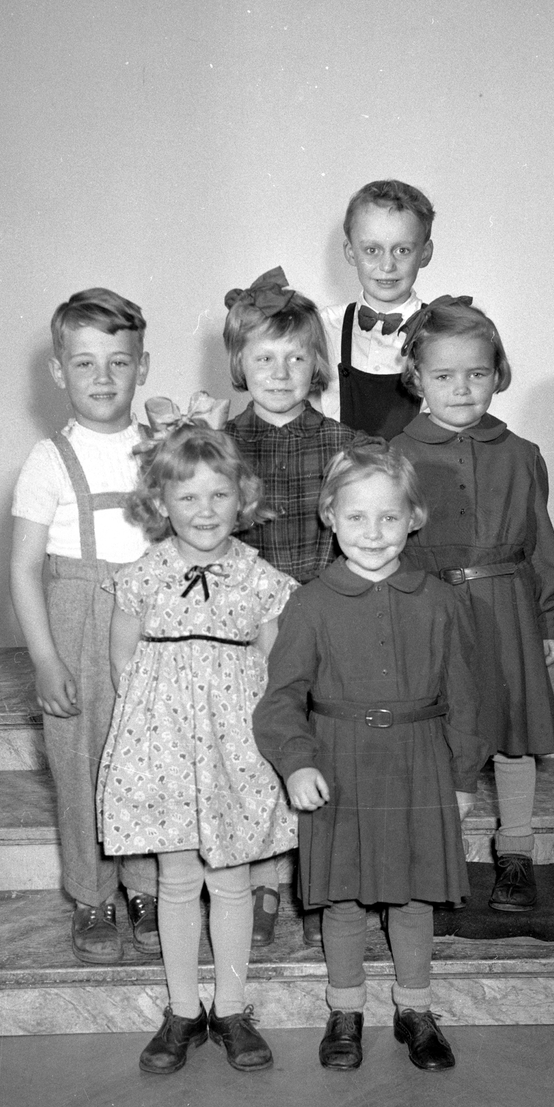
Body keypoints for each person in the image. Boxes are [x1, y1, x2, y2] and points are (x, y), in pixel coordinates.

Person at [253, 441, 488, 1071]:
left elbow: (467, 698)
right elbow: (280, 699)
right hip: (339, 764)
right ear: (330, 516)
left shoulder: (441, 601)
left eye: (389, 516)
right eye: (356, 516)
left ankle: (416, 1010)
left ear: (415, 518)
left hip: (420, 763)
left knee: (414, 897)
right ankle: (345, 1011)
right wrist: (297, 762)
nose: (373, 532)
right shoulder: (309, 603)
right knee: (344, 898)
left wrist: (463, 776)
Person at [98, 421, 298, 1074]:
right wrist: (151, 728)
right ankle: (183, 1010)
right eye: (187, 497)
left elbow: (274, 660)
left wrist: (247, 726)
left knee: (232, 879)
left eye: (219, 495)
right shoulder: (145, 574)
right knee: (178, 879)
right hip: (161, 745)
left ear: (242, 498)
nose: (205, 510)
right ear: (161, 503)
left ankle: (232, 1008)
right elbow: (123, 658)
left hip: (232, 747)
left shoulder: (258, 577)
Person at [391, 296, 554, 912]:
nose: (461, 388)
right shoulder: (394, 455)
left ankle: (516, 853)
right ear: (416, 378)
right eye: (444, 375)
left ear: (498, 374)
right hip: (430, 609)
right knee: (441, 730)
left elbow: (539, 540)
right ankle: (439, 858)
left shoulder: (521, 453)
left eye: (477, 373)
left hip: (507, 609)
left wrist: (550, 616)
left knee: (513, 732)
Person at [10, 288, 158, 966]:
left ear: (142, 367)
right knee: (81, 763)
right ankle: (91, 893)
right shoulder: (48, 460)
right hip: (76, 621)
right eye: (85, 362)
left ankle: (147, 886)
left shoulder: (161, 448)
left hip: (151, 621)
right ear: (58, 370)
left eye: (119, 362)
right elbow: (22, 569)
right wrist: (46, 660)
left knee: (151, 757)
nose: (103, 377)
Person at [222, 266, 356, 948]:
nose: (279, 373)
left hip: (319, 621)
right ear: (239, 364)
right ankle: (264, 881)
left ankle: (321, 883)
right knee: (254, 751)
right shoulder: (218, 446)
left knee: (320, 749)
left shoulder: (346, 447)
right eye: (264, 358)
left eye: (295, 358)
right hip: (241, 627)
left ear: (317, 365)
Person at [318, 179, 435, 439]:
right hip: (340, 463)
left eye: (402, 250)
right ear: (351, 252)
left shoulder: (440, 331)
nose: (387, 266)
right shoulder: (324, 326)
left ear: (425, 253)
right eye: (372, 250)